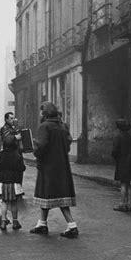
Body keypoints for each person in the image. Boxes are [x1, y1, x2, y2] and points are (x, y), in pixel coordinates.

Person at [30, 101, 78, 239]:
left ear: (45, 113)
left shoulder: (44, 127)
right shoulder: (62, 127)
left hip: (48, 166)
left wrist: (35, 148)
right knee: (51, 195)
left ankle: (72, 225)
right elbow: (67, 145)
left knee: (51, 194)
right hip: (61, 166)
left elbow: (41, 146)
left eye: (41, 111)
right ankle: (42, 224)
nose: (40, 113)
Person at [0, 134, 26, 230]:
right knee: (14, 203)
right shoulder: (17, 155)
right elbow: (22, 168)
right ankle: (15, 222)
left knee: (4, 202)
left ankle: (3, 221)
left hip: (3, 182)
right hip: (14, 182)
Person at [112, 118, 131, 212]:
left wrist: (117, 159)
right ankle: (129, 204)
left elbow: (115, 151)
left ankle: (122, 204)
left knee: (123, 184)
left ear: (119, 128)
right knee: (128, 184)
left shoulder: (118, 137)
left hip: (122, 163)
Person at [0, 112, 24, 196]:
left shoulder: (14, 128)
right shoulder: (4, 128)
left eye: (13, 118)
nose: (13, 120)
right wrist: (15, 137)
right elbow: (6, 140)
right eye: (11, 118)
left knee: (19, 172)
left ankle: (19, 190)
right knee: (13, 174)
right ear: (6, 119)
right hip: (10, 155)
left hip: (17, 154)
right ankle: (13, 192)